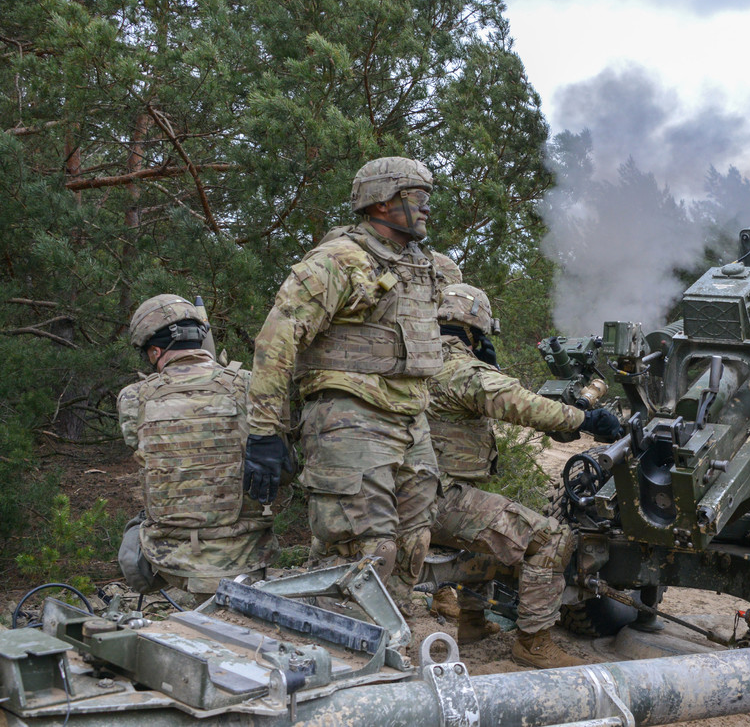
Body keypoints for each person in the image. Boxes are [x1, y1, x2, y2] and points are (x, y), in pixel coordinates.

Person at [245, 156, 445, 602]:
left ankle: (391, 641)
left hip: (412, 421)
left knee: (414, 542)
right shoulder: (338, 260)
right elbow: (277, 341)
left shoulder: (420, 264)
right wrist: (264, 431)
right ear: (379, 204)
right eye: (417, 197)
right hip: (349, 417)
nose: (428, 208)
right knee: (365, 552)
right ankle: (330, 645)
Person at [426, 283, 623, 669]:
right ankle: (533, 644)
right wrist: (587, 418)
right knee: (549, 537)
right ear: (473, 328)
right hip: (434, 500)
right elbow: (525, 406)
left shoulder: (411, 361)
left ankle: (471, 623)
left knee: (490, 526)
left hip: (402, 493)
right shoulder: (460, 370)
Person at [117, 294, 279, 602]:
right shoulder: (248, 384)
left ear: (154, 352)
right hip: (243, 554)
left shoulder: (133, 398)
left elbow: (140, 446)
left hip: (167, 557)